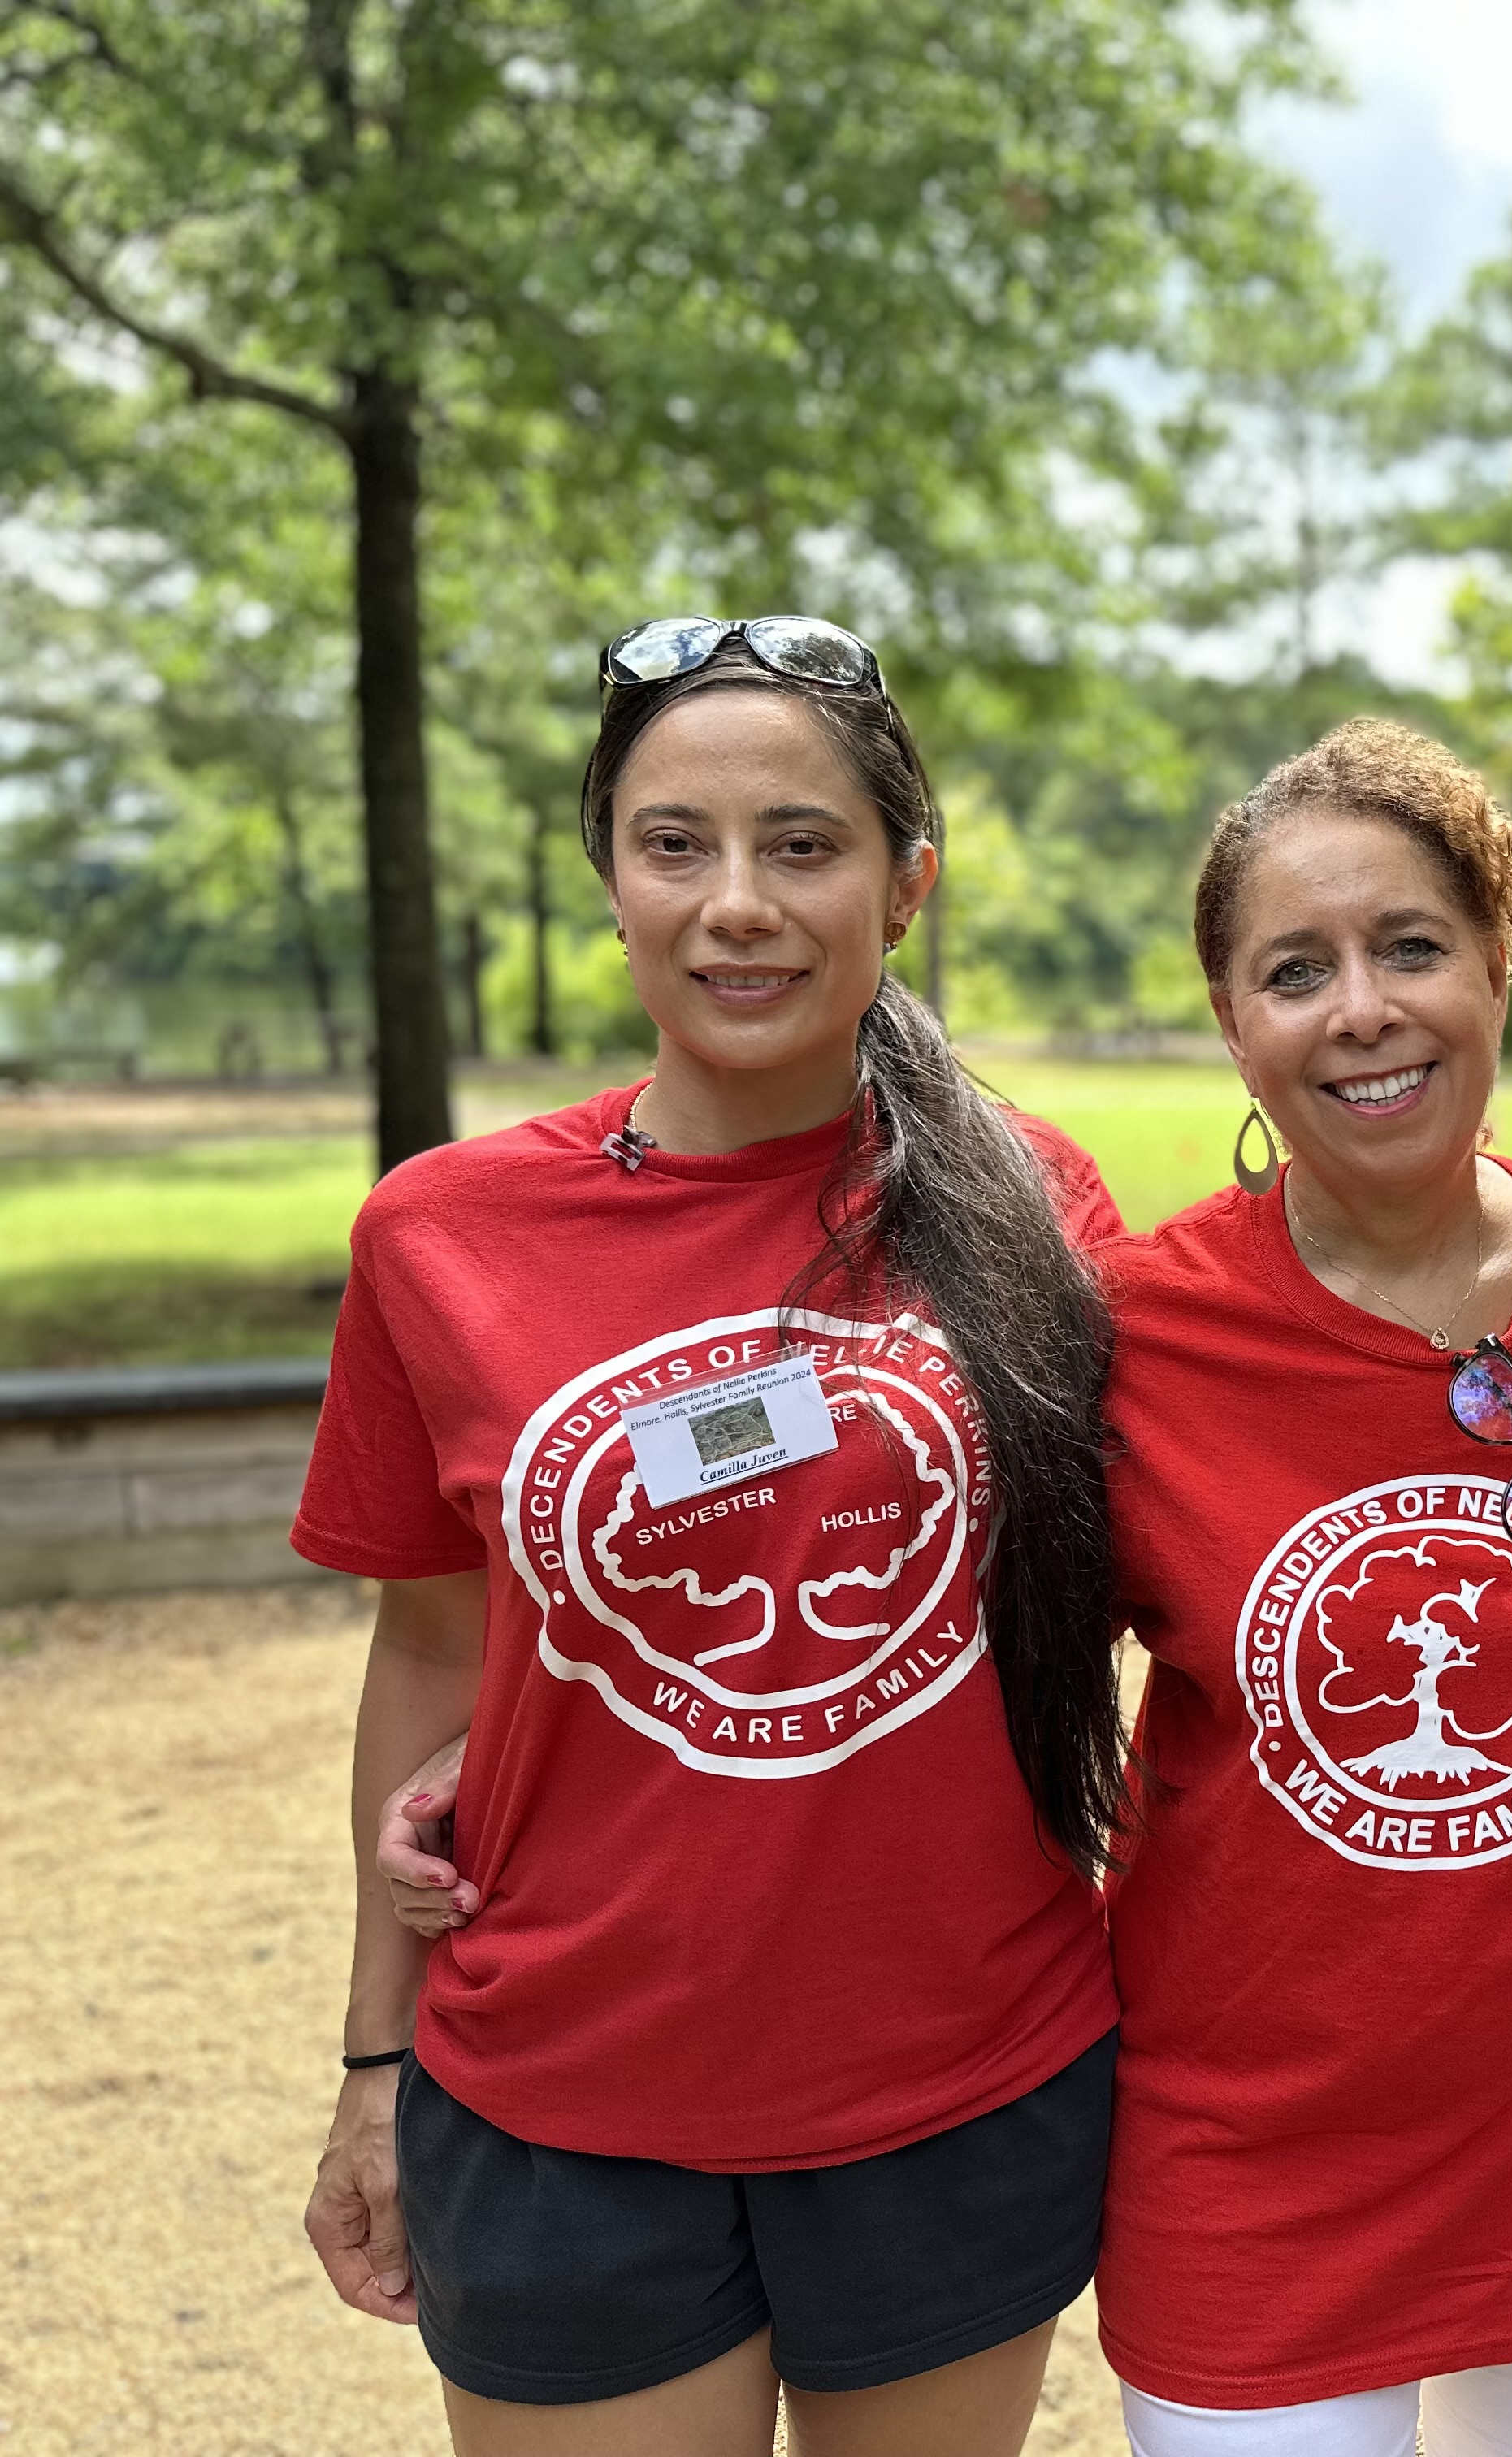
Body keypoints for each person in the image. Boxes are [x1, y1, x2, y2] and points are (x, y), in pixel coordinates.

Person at [299, 618, 1131, 2454]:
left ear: (906, 885)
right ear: (609, 874)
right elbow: (431, 1651)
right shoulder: (439, 1237)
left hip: (956, 2086)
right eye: (676, 844)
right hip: (559, 2102)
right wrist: (374, 2058)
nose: (737, 902)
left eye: (803, 845)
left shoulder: (1039, 1205)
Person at [1087, 717, 1512, 2455]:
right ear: (1235, 1024)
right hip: (1248, 2144)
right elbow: (944, 1669)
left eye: (1412, 946)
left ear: (1498, 961)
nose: (1361, 1009)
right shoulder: (1137, 1334)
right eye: (1298, 971)